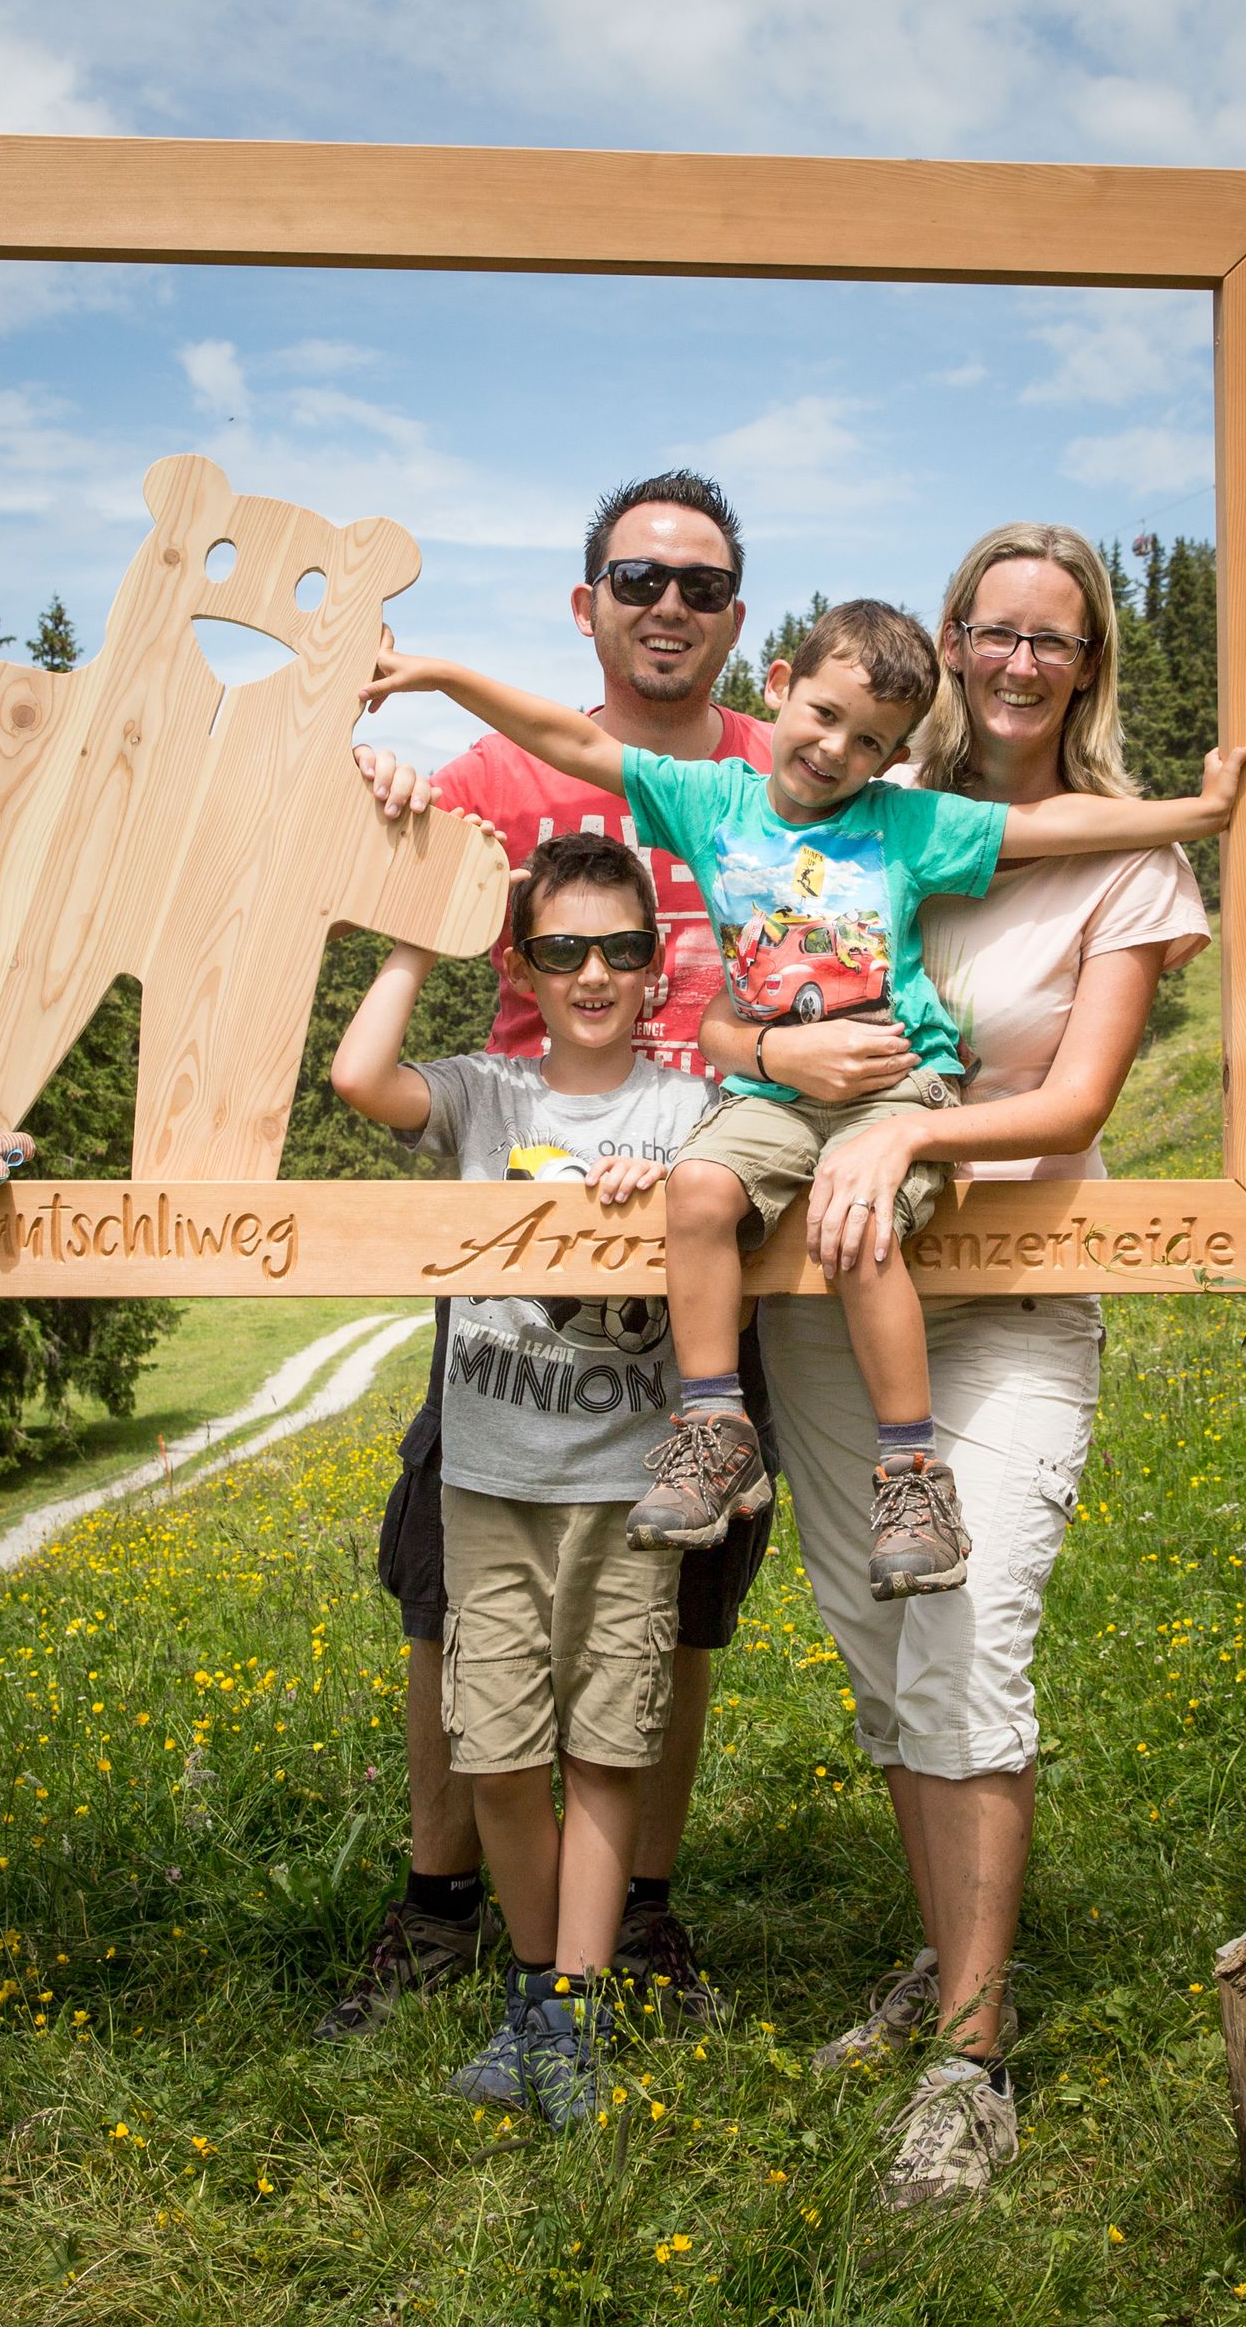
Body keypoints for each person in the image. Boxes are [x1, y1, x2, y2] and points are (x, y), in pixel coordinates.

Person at [361, 600, 1246, 1629]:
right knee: (695, 1193)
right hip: (771, 1094)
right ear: (779, 687)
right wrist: (438, 672)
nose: (834, 749)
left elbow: (1051, 827)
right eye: (823, 714)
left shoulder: (906, 823)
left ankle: (911, 1472)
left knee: (856, 1222)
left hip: (893, 1089)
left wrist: (1198, 814)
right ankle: (712, 1427)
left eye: (870, 741)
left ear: (896, 755)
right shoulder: (709, 800)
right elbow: (572, 739)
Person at [694, 525, 1207, 2208]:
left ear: (1089, 661)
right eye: (990, 630)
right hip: (833, 1306)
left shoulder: (1122, 866)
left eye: (1051, 640)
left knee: (973, 1626)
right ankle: (941, 1957)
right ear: (954, 639)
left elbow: (1073, 1108)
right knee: (886, 1650)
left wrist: (911, 1133)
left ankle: (972, 2064)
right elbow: (727, 1003)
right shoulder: (858, 817)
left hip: (1009, 1304)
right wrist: (778, 1059)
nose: (1015, 661)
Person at [317, 472, 778, 2042]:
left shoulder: (787, 780)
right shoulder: (501, 769)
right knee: (454, 1587)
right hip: (517, 1245)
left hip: (711, 1237)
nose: (668, 603)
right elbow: (376, 871)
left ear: (736, 616)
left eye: (702, 584)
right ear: (585, 604)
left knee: (677, 1601)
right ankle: (443, 1903)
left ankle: (633, 1915)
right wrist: (372, 774)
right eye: (637, 577)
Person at [330, 833, 709, 2125]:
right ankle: (539, 1985)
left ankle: (566, 2011)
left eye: (620, 948)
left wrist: (669, 1185)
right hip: (488, 1486)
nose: (592, 972)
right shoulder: (488, 1099)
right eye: (561, 950)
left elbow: (744, 1200)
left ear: (655, 968)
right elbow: (357, 1075)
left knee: (608, 1751)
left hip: (628, 1492)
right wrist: (414, 936)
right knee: (496, 1757)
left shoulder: (689, 1109)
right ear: (524, 967)